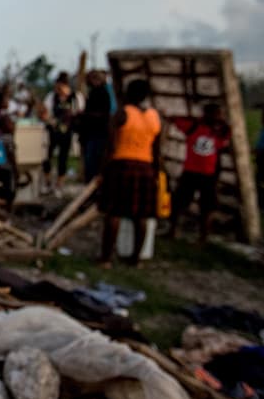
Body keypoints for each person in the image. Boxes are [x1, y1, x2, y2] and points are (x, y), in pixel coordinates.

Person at [99, 79, 162, 266]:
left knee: (114, 212)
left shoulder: (122, 114)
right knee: (141, 216)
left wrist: (102, 171)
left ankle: (106, 258)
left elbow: (110, 146)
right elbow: (157, 149)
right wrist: (156, 172)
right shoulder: (154, 116)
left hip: (122, 165)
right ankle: (136, 258)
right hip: (146, 167)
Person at [168, 102, 231, 243]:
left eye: (219, 114)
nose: (218, 117)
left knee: (207, 207)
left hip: (208, 174)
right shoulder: (194, 126)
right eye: (215, 114)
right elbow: (173, 119)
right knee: (178, 202)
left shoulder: (221, 131)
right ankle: (173, 230)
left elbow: (224, 142)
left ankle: (203, 237)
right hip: (191, 171)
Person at [42, 71, 84, 194]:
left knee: (63, 158)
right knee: (47, 156)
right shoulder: (51, 97)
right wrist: (49, 120)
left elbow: (80, 112)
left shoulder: (76, 97)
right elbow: (44, 112)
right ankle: (47, 182)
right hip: (52, 131)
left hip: (68, 131)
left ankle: (59, 184)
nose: (59, 89)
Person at [76, 69, 112, 183]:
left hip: (97, 133)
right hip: (92, 133)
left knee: (93, 163)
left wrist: (85, 114)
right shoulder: (95, 92)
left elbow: (102, 113)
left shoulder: (101, 92)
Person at [0, 89, 18, 212]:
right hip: (3, 157)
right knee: (7, 188)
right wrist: (16, 169)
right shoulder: (1, 117)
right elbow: (10, 154)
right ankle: (5, 209)